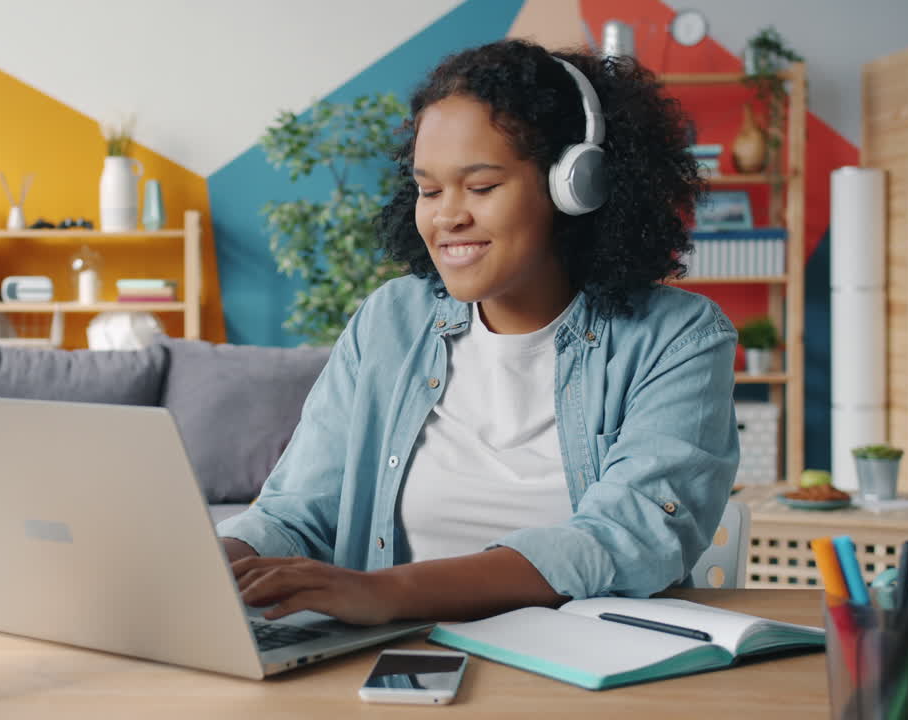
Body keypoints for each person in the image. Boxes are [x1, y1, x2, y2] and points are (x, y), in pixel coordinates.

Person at [218, 38, 739, 626]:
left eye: (482, 187)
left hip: (592, 674)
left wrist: (387, 592)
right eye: (430, 189)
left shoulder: (679, 338)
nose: (447, 216)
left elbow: (630, 534)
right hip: (398, 664)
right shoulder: (390, 321)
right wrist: (211, 562)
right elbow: (298, 512)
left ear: (575, 185)